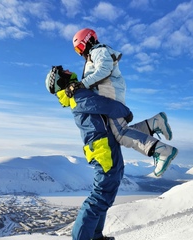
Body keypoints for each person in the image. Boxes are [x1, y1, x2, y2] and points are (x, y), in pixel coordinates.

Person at [71, 28, 178, 177]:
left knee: (121, 134)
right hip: (108, 93)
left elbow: (104, 69)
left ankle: (161, 149)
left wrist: (83, 84)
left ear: (88, 40)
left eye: (80, 47)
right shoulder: (94, 53)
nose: (80, 52)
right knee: (120, 132)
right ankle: (154, 123)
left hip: (109, 93)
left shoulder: (98, 50)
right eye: (77, 50)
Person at [45, 66, 132, 240]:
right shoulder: (79, 96)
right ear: (62, 80)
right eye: (64, 71)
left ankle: (96, 236)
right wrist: (126, 113)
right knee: (100, 196)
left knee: (105, 195)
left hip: (103, 146)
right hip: (103, 148)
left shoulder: (77, 94)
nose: (68, 70)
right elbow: (105, 105)